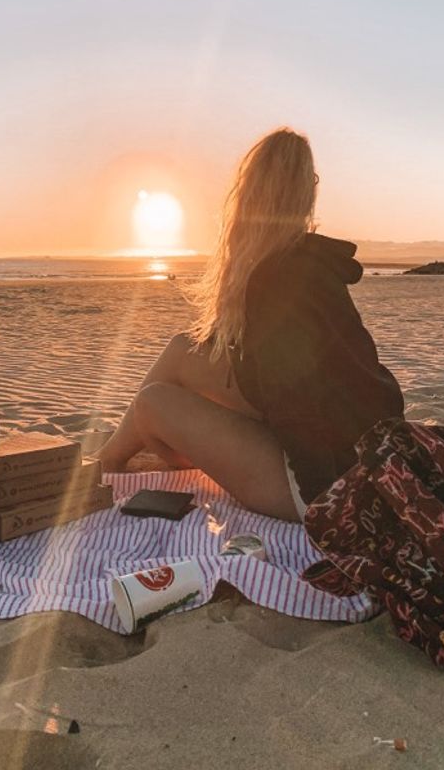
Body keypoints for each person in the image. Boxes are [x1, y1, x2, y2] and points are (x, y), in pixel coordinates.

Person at [93, 127, 404, 521]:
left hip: (320, 486)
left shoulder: (277, 279)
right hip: (357, 451)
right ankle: (108, 461)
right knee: (180, 349)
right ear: (307, 194)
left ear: (248, 196)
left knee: (154, 402)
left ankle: (103, 471)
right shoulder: (307, 263)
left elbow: (293, 404)